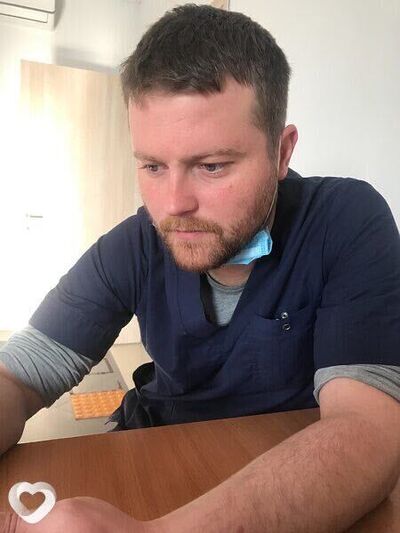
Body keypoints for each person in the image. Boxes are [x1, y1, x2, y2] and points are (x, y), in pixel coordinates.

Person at [0, 4, 399, 532]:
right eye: (153, 166)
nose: (173, 205)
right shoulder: (135, 243)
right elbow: (17, 374)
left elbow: (370, 431)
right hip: (155, 454)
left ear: (281, 153)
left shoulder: (345, 222)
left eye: (211, 166)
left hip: (291, 479)